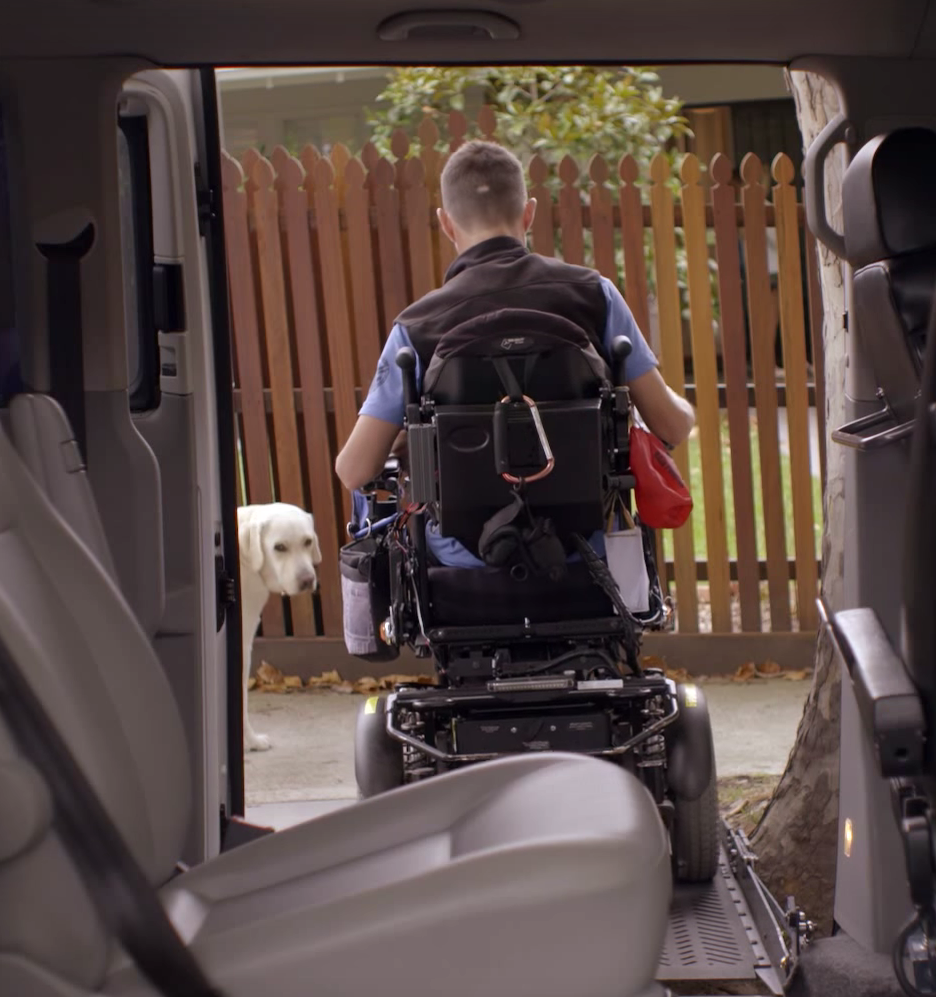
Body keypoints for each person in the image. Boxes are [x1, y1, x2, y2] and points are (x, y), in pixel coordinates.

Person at [336, 140, 695, 567]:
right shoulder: (594, 295)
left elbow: (354, 471)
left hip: (460, 559)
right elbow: (670, 426)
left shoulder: (417, 327)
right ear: (529, 213)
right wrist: (685, 410)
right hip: (584, 547)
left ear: (446, 224)